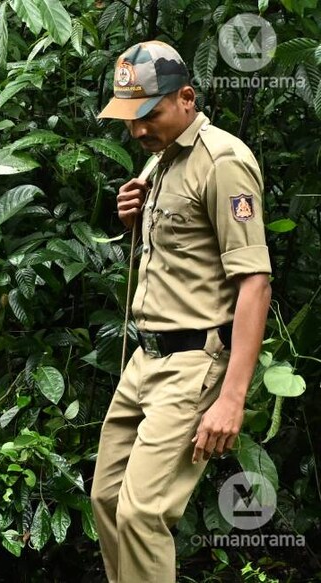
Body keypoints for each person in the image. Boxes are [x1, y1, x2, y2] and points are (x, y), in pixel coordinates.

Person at [90, 41, 272, 582]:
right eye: (130, 118)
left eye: (149, 113)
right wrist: (135, 219)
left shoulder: (223, 162)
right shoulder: (163, 158)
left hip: (193, 362)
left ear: (186, 98)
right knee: (107, 499)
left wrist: (232, 399)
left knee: (142, 515)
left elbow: (255, 282)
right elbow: (183, 252)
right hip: (145, 359)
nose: (138, 129)